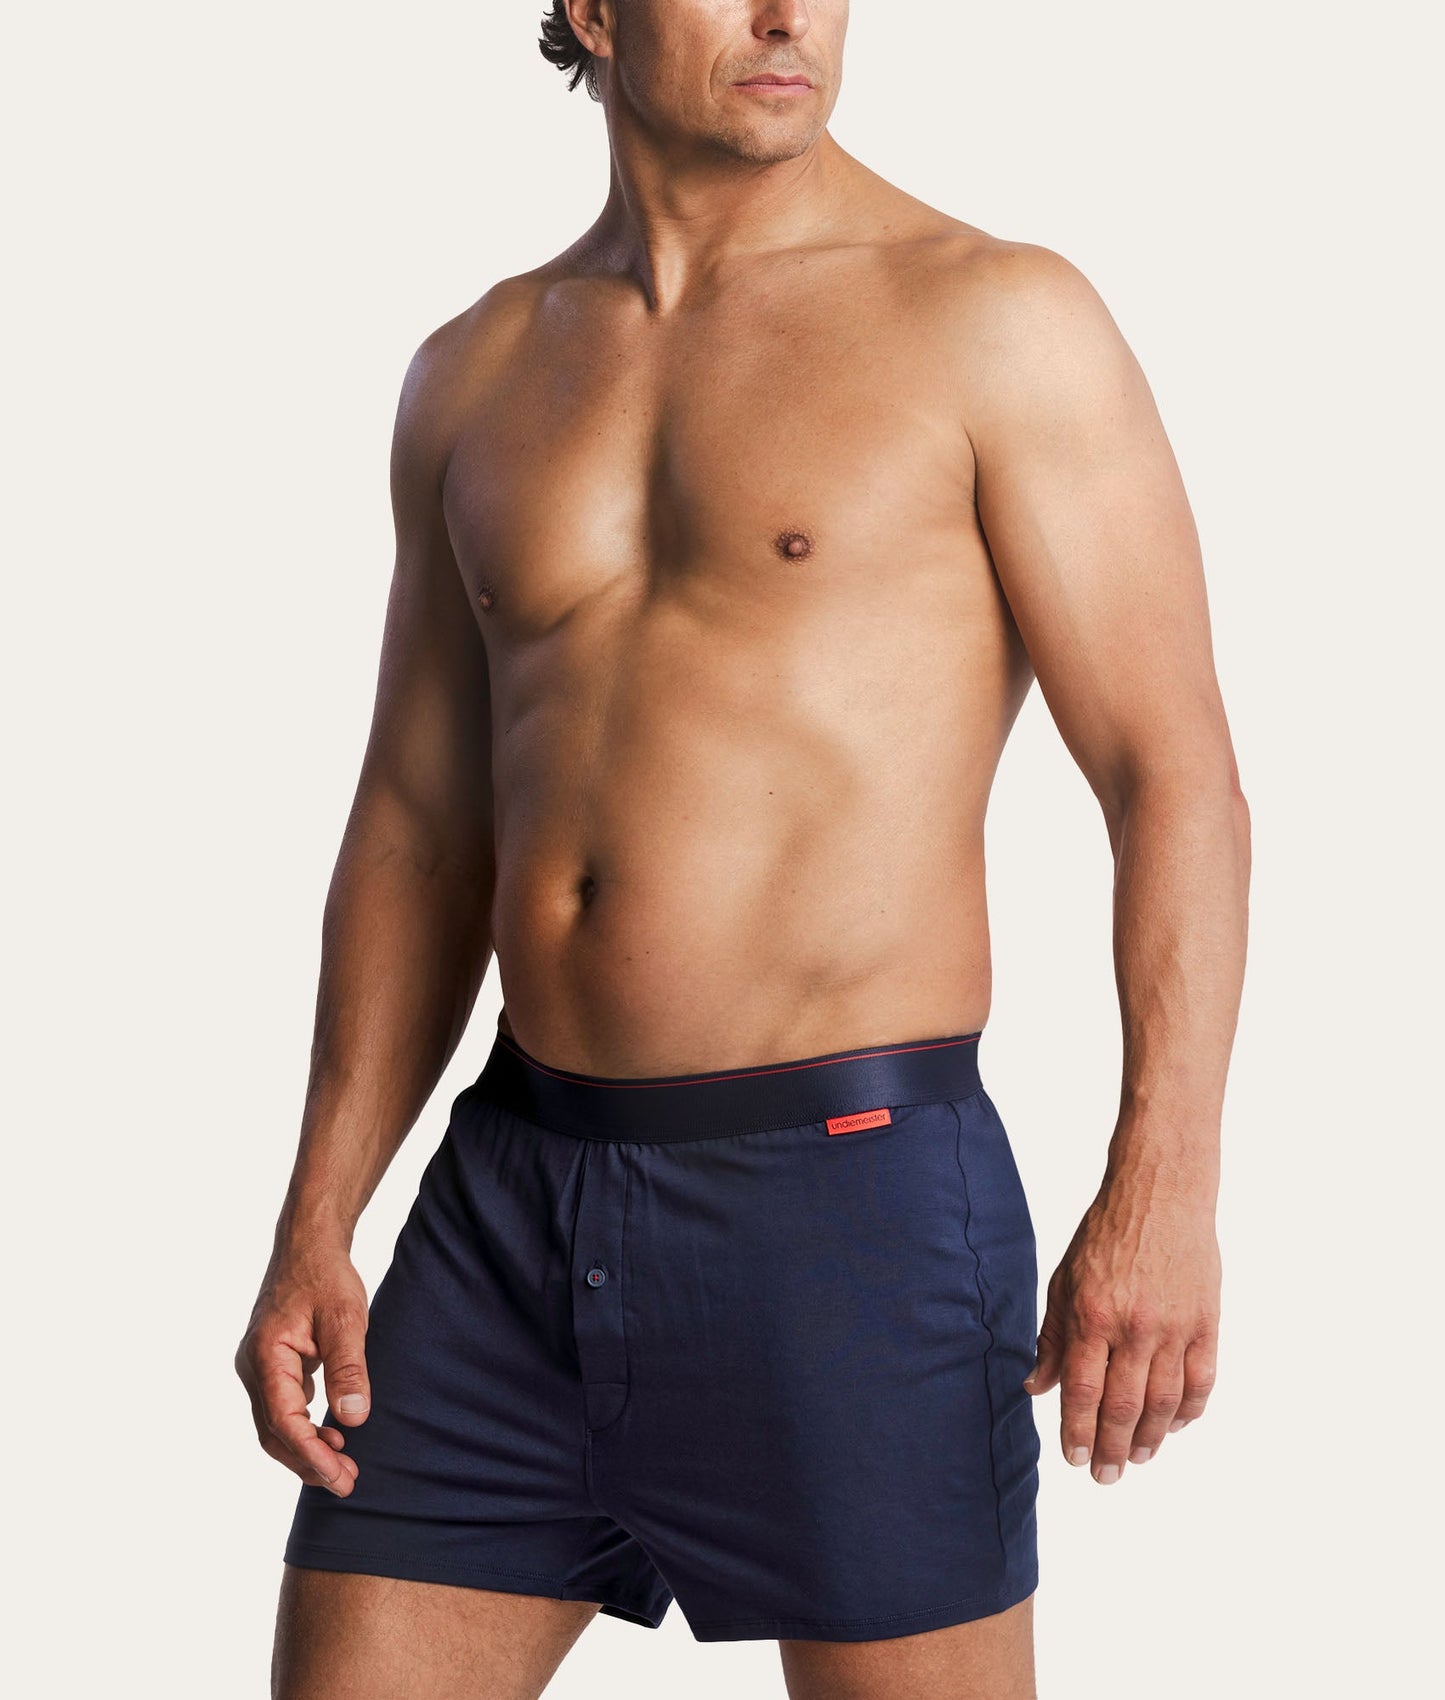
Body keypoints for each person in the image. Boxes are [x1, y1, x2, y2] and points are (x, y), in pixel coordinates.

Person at [236, 2, 1249, 1695]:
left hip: (846, 1204)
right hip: (508, 1207)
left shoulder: (992, 318)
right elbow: (418, 824)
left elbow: (1173, 776)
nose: (790, 15)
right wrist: (317, 1213)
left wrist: (1165, 1187)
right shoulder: (477, 366)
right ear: (591, 8)